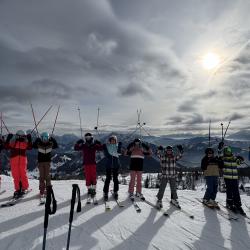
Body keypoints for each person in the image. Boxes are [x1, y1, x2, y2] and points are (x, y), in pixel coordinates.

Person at [74, 132, 103, 203]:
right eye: (86, 137)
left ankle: (93, 190)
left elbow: (101, 148)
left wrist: (99, 143)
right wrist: (78, 142)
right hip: (86, 164)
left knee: (93, 177)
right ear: (85, 138)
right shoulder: (84, 145)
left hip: (93, 163)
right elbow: (76, 148)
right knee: (88, 177)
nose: (88, 139)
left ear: (91, 137)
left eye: (89, 137)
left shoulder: (94, 145)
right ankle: (89, 190)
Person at [218, 143, 246, 215]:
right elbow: (219, 157)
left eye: (229, 150)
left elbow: (239, 162)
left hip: (235, 178)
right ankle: (229, 204)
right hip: (228, 178)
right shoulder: (223, 159)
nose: (229, 152)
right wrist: (219, 149)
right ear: (224, 152)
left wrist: (241, 159)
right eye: (227, 151)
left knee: (236, 191)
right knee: (230, 190)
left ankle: (238, 205)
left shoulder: (234, 158)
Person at [5, 130, 32, 198]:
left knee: (23, 174)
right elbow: (6, 146)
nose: (21, 138)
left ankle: (24, 188)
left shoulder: (24, 143)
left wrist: (29, 139)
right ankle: (18, 189)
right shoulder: (14, 142)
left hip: (21, 161)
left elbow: (30, 147)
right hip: (15, 161)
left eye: (23, 137)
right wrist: (8, 139)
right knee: (16, 176)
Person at [33, 132, 58, 201]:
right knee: (41, 177)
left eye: (46, 138)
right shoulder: (39, 144)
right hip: (41, 163)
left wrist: (52, 139)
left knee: (47, 176)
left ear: (48, 138)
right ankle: (42, 190)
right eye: (43, 138)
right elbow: (33, 146)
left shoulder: (50, 144)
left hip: (47, 163)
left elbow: (56, 146)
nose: (45, 139)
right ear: (41, 138)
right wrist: (36, 140)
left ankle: (48, 189)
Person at [102, 135, 122, 201]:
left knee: (115, 179)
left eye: (114, 140)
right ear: (110, 141)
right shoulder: (107, 146)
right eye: (111, 140)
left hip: (116, 165)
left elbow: (119, 153)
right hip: (108, 165)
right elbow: (106, 154)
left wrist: (119, 146)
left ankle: (115, 191)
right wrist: (104, 148)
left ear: (115, 141)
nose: (113, 141)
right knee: (108, 179)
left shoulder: (117, 146)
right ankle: (105, 192)